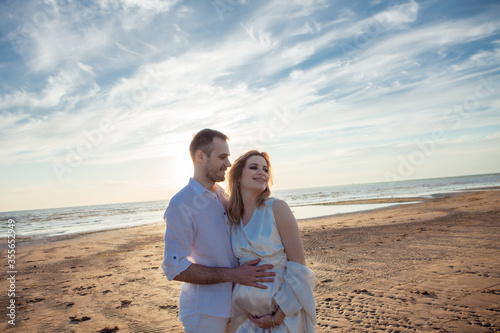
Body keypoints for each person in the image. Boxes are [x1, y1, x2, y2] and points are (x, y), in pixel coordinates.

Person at [161, 129, 276, 333]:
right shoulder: (182, 204)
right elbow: (173, 266)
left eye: (228, 157)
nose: (229, 164)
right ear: (200, 156)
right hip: (205, 312)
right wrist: (234, 275)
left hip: (236, 307)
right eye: (222, 157)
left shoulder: (222, 195)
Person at [227, 150, 316, 332]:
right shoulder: (231, 216)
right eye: (254, 167)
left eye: (265, 169)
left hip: (280, 315)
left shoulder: (277, 208)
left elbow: (299, 269)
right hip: (243, 316)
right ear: (237, 176)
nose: (262, 172)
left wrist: (278, 317)